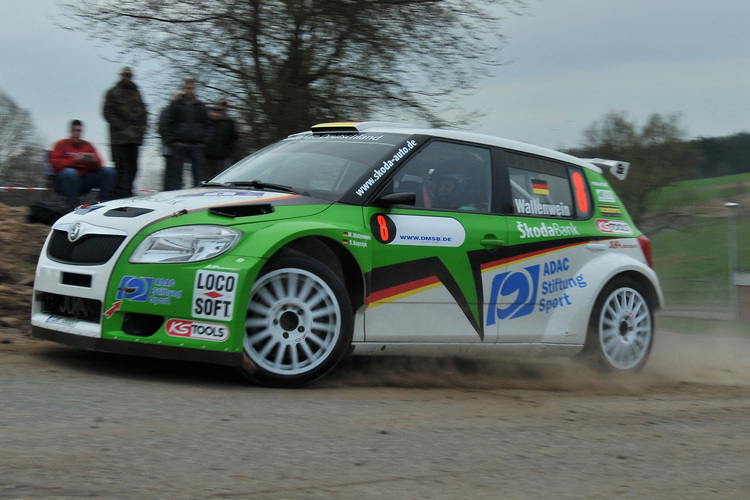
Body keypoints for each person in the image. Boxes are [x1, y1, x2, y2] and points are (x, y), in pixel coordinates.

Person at [103, 66, 148, 198]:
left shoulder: (137, 93)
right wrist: (120, 126)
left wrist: (142, 129)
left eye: (128, 76)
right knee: (122, 170)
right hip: (119, 139)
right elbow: (107, 112)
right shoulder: (113, 92)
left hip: (134, 139)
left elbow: (143, 112)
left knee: (133, 169)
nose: (126, 78)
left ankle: (126, 193)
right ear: (121, 76)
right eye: (124, 75)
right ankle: (120, 196)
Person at [50, 120, 114, 209]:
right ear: (71, 131)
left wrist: (93, 161)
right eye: (75, 130)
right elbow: (56, 165)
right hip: (65, 182)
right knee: (69, 173)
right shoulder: (61, 144)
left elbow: (99, 164)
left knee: (109, 171)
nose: (77, 133)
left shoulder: (88, 146)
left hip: (84, 180)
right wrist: (75, 160)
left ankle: (104, 205)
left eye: (79, 131)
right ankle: (73, 207)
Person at [160, 78, 210, 190]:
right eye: (187, 88)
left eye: (191, 88)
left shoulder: (201, 106)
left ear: (195, 89)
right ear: (184, 89)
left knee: (198, 177)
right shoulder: (176, 105)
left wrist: (204, 141)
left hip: (196, 145)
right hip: (179, 145)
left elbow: (208, 125)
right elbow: (167, 124)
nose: (189, 91)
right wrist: (172, 141)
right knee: (176, 178)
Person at [204, 100, 238, 181]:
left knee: (222, 177)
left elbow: (233, 138)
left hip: (222, 155)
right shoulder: (208, 122)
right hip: (208, 155)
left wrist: (227, 151)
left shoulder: (229, 123)